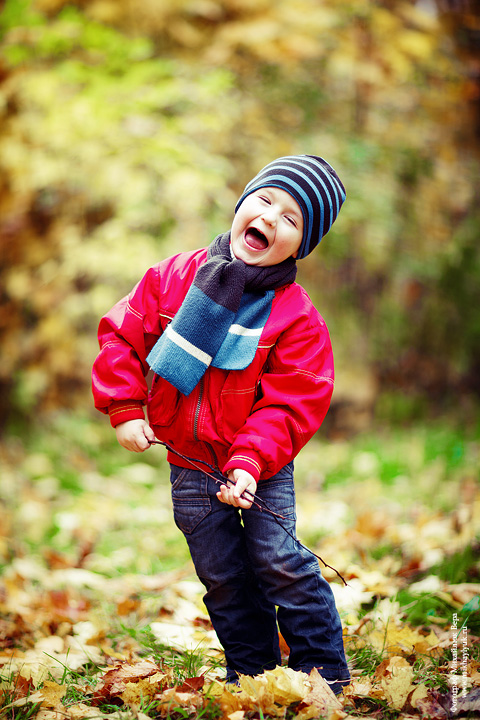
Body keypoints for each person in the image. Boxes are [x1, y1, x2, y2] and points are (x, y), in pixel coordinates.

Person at [92, 155, 350, 693]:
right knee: (222, 574)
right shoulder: (171, 279)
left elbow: (292, 400)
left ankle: (323, 673)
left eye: (291, 219)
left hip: (259, 464)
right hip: (189, 460)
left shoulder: (295, 316)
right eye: (265, 200)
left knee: (277, 560)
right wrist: (124, 406)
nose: (271, 217)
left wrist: (250, 461)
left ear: (300, 246)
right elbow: (122, 335)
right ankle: (252, 674)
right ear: (242, 205)